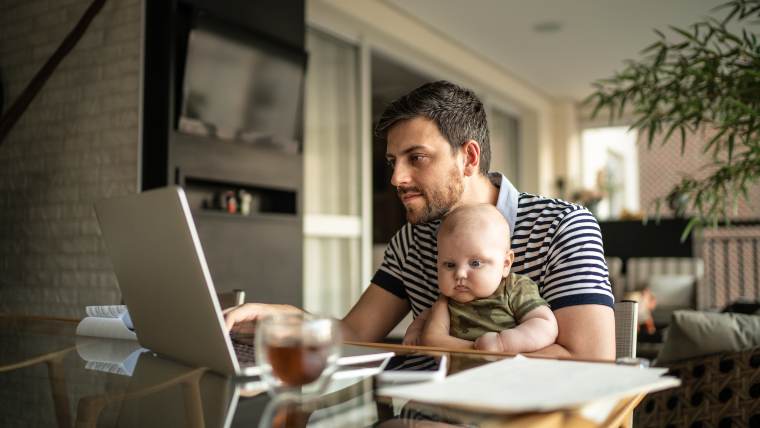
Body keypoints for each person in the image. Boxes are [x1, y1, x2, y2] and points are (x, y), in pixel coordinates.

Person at [225, 80, 616, 360]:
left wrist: (457, 350)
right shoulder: (410, 242)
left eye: (418, 158)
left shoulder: (562, 225)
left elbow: (593, 360)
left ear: (469, 158)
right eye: (394, 162)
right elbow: (356, 334)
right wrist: (286, 316)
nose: (397, 178)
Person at [403, 203, 558, 353]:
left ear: (505, 264)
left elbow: (544, 324)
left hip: (505, 372)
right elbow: (426, 322)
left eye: (475, 263)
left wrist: (503, 343)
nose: (460, 274)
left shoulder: (514, 288)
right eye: (450, 265)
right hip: (456, 376)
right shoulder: (446, 301)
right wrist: (415, 331)